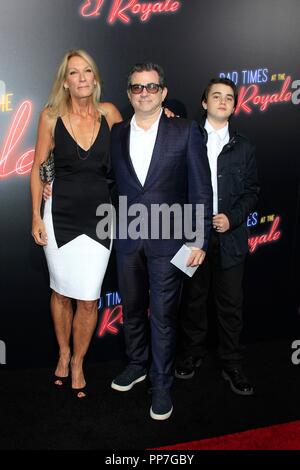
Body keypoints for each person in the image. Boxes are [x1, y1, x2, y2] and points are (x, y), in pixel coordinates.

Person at [109, 63, 212, 420]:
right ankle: (137, 364)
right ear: (129, 94)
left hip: (169, 243)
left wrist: (199, 239)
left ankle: (162, 384)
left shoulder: (185, 131)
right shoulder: (117, 133)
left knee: (164, 318)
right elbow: (111, 183)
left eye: (152, 87)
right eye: (137, 88)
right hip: (126, 240)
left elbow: (201, 189)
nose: (144, 93)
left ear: (163, 92)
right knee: (132, 310)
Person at [30, 50, 122, 398]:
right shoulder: (50, 117)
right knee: (60, 291)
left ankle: (80, 360)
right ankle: (64, 353)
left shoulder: (110, 114)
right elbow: (39, 168)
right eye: (74, 73)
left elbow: (141, 138)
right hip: (59, 215)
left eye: (87, 71)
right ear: (64, 81)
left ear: (95, 79)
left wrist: (166, 116)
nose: (82, 78)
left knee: (88, 299)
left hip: (101, 218)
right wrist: (36, 214)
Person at [175, 78, 259, 395]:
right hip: (190, 235)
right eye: (216, 96)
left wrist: (232, 218)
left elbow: (252, 192)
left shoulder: (245, 146)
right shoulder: (184, 138)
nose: (222, 101)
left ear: (235, 106)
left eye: (229, 97)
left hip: (231, 237)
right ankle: (191, 355)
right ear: (204, 102)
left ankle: (232, 363)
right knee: (193, 300)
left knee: (230, 305)